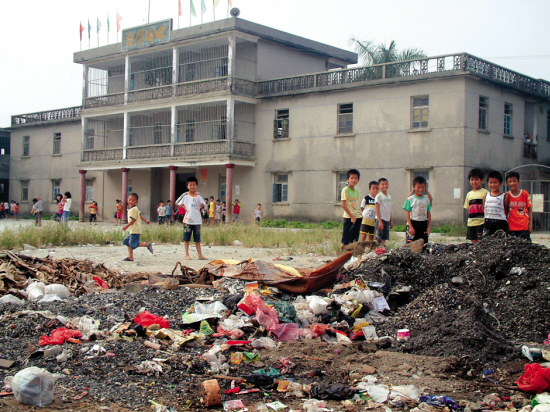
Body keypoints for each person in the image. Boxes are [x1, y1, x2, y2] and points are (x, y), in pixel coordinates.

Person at [176, 176, 207, 260]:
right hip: (188, 220)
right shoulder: (185, 195)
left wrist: (202, 205)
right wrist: (184, 207)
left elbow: (203, 203)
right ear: (187, 186)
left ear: (196, 186)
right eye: (190, 185)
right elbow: (177, 202)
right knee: (187, 238)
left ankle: (200, 254)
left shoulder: (199, 195)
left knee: (197, 239)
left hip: (197, 220)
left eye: (194, 185)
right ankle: (187, 254)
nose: (192, 186)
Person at [122, 193, 153, 262]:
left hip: (135, 230)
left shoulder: (134, 209)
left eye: (133, 200)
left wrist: (126, 226)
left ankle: (147, 244)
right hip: (133, 230)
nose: (131, 202)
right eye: (129, 200)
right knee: (127, 241)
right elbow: (139, 215)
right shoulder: (134, 209)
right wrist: (146, 221)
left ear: (137, 202)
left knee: (133, 244)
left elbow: (134, 219)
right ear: (127, 200)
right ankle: (130, 257)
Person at [403, 176, 432, 244]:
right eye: (418, 187)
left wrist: (429, 226)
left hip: (423, 223)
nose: (420, 189)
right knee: (411, 243)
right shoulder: (410, 199)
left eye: (422, 187)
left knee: (423, 243)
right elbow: (407, 213)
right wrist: (410, 227)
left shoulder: (427, 200)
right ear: (414, 187)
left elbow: (428, 213)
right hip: (413, 223)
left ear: (425, 187)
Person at [506, 171, 533, 241]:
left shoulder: (524, 194)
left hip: (524, 227)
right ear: (507, 183)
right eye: (510, 181)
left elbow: (529, 209)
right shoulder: (506, 196)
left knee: (526, 247)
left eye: (514, 181)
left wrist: (530, 224)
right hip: (511, 228)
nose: (512, 183)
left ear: (518, 182)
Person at [464, 168, 488, 243]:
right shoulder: (469, 194)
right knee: (473, 241)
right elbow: (468, 207)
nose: (474, 182)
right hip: (471, 222)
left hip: (481, 222)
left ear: (482, 180)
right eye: (472, 179)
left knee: (480, 242)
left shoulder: (485, 193)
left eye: (476, 179)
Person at [482, 171, 509, 238]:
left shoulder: (505, 196)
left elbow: (506, 211)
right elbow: (484, 209)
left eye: (495, 182)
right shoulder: (485, 196)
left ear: (500, 183)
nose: (493, 185)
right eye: (491, 182)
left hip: (500, 224)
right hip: (488, 223)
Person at [340, 169, 362, 249]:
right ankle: (341, 255)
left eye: (356, 178)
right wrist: (351, 216)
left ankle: (351, 256)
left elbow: (356, 204)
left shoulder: (356, 191)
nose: (354, 180)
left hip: (358, 217)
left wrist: (360, 214)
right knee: (345, 240)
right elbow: (343, 205)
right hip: (350, 218)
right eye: (352, 178)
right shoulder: (345, 190)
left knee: (354, 239)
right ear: (348, 179)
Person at [375, 178, 393, 247]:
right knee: (378, 237)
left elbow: (389, 209)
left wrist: (391, 220)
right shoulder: (379, 196)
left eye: (386, 184)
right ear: (379, 186)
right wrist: (380, 221)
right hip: (380, 219)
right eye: (382, 184)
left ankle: (382, 250)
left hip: (387, 219)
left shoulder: (389, 197)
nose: (385, 186)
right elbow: (377, 209)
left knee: (384, 237)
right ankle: (376, 250)